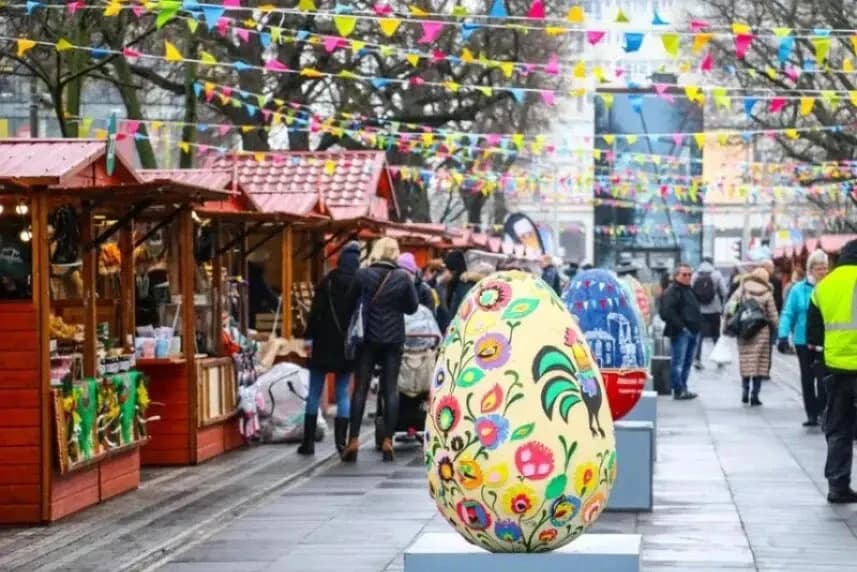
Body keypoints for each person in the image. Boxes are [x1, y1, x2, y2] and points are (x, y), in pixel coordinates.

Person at [341, 238, 418, 463]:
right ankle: (388, 441)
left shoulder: (362, 275)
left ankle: (353, 440)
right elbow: (412, 308)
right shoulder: (403, 277)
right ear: (395, 253)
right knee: (391, 388)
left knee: (361, 388)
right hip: (393, 339)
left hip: (368, 338)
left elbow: (348, 303)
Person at [807, 238, 857, 503]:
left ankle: (838, 485)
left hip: (836, 369)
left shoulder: (824, 286)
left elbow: (813, 334)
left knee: (839, 428)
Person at [298, 241, 360, 456]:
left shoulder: (327, 281)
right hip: (346, 346)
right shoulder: (359, 284)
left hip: (323, 344)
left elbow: (315, 313)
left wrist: (309, 338)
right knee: (343, 393)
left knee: (314, 392)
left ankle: (308, 443)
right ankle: (341, 444)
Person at [778, 250, 829, 426]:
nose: (823, 272)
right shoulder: (798, 290)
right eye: (819, 268)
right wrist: (783, 335)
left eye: (825, 268)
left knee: (823, 378)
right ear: (810, 269)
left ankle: (823, 412)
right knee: (807, 378)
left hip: (824, 340)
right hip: (803, 341)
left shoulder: (830, 287)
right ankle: (811, 414)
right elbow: (788, 313)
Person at [726, 267, 779, 406]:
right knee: (759, 363)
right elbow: (773, 315)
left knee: (746, 361)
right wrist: (776, 328)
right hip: (761, 331)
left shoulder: (742, 289)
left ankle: (745, 391)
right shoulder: (767, 293)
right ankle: (755, 395)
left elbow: (730, 308)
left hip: (744, 330)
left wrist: (729, 321)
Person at [659, 264, 701, 400]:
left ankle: (683, 387)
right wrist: (682, 326)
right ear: (676, 276)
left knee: (687, 362)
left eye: (689, 274)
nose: (687, 277)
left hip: (693, 330)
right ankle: (678, 389)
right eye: (684, 274)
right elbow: (666, 312)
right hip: (680, 332)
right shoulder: (672, 291)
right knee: (678, 362)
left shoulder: (689, 289)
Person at [691, 257, 729, 369]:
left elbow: (691, 291)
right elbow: (724, 291)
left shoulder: (695, 275)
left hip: (699, 310)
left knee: (699, 335)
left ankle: (697, 359)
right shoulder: (717, 274)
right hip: (714, 309)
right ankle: (719, 359)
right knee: (716, 334)